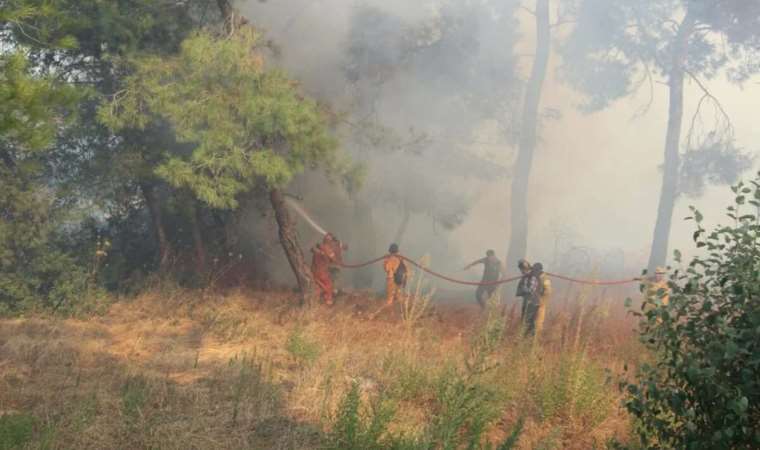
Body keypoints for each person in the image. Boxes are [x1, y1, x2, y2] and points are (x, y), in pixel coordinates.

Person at [523, 262, 552, 337]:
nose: (534, 271)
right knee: (529, 319)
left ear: (539, 270)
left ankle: (537, 338)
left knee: (539, 321)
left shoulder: (544, 278)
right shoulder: (534, 276)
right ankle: (529, 335)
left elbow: (548, 291)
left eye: (535, 270)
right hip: (533, 301)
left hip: (540, 302)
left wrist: (541, 298)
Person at [311, 240, 337, 306]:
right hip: (320, 273)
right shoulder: (321, 251)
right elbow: (312, 249)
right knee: (326, 286)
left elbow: (332, 259)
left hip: (320, 273)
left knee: (322, 287)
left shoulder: (327, 250)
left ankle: (320, 302)